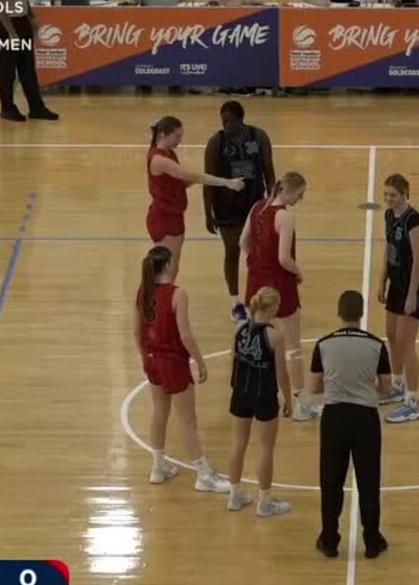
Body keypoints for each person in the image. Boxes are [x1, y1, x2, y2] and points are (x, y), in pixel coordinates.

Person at [135, 246, 231, 493]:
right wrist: (199, 360)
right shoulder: (178, 294)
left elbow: (137, 331)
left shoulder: (142, 292)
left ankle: (158, 467)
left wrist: (144, 356)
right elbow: (185, 335)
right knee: (188, 420)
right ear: (167, 265)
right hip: (173, 363)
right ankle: (203, 475)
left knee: (159, 411)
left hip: (152, 360)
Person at [310, 290, 392, 559]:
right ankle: (372, 540)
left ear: (339, 312)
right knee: (369, 480)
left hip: (334, 417)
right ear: (361, 313)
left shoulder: (323, 345)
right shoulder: (376, 345)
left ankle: (330, 539)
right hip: (365, 417)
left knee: (331, 480)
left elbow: (314, 387)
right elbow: (386, 387)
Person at [242, 172, 320, 423]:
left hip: (255, 284)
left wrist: (256, 264)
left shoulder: (257, 207)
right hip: (280, 287)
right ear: (288, 191)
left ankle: (253, 395)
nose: (300, 199)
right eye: (299, 194)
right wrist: (300, 272)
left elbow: (243, 242)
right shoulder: (285, 216)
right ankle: (302, 405)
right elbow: (284, 258)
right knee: (293, 349)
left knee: (258, 344)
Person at [146, 116, 244, 279]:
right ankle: (157, 301)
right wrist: (227, 182)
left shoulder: (168, 153)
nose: (180, 140)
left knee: (171, 268)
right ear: (163, 135)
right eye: (177, 136)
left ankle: (159, 299)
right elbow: (189, 175)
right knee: (166, 270)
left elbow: (179, 182)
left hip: (173, 215)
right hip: (164, 217)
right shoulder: (159, 159)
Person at [204, 101, 275, 322]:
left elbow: (269, 172)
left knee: (259, 255)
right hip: (226, 207)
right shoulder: (216, 143)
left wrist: (271, 202)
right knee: (232, 252)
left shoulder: (259, 137)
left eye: (230, 120)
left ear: (241, 119)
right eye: (223, 120)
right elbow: (209, 181)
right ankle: (235, 303)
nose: (226, 124)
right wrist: (207, 212)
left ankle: (260, 298)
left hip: (255, 205)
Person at [226, 286, 294, 517]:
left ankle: (234, 496)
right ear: (273, 307)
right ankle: (264, 502)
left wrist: (235, 387)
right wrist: (288, 399)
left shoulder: (239, 329)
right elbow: (282, 374)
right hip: (263, 395)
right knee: (265, 448)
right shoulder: (275, 336)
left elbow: (232, 361)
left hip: (241, 393)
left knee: (238, 444)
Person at [378, 174, 419, 424]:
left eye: (393, 195)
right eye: (386, 194)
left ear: (405, 193)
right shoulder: (388, 215)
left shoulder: (414, 220)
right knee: (391, 334)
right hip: (396, 284)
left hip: (414, 287)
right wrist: (381, 281)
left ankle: (413, 401)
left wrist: (412, 295)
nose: (388, 199)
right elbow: (389, 250)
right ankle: (397, 385)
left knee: (407, 343)